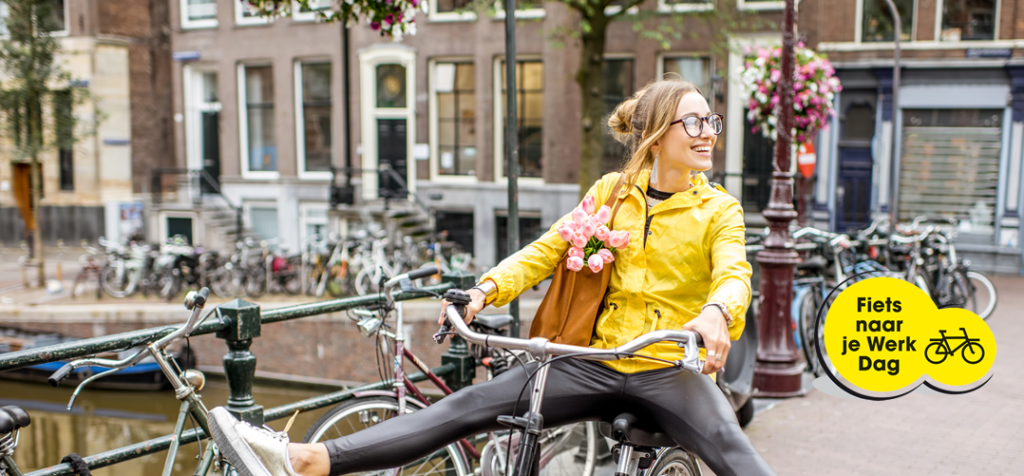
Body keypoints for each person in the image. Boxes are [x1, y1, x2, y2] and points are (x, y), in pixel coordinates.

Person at [207, 76, 777, 476]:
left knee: (730, 445)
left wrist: (714, 313)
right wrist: (483, 290)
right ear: (658, 132)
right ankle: (308, 461)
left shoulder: (719, 209)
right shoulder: (612, 192)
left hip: (665, 367)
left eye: (712, 120)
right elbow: (548, 249)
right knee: (469, 404)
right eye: (696, 120)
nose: (709, 132)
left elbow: (735, 272)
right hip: (592, 362)